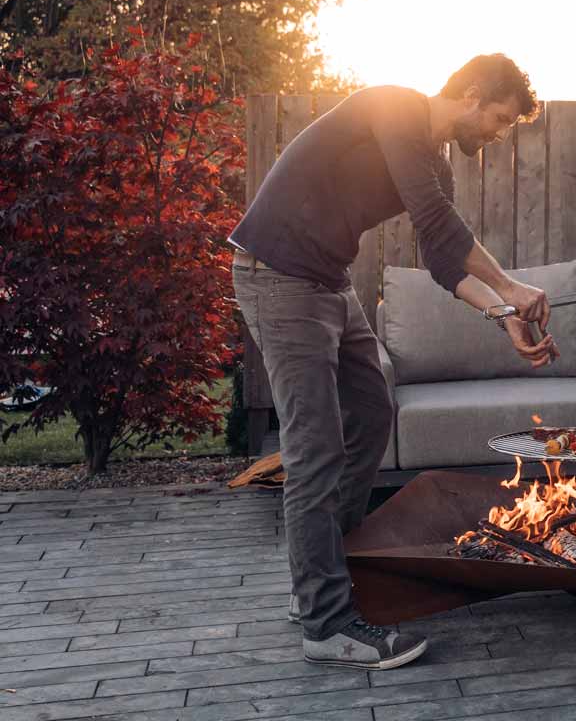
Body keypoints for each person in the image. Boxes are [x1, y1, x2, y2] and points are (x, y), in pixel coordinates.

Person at [228, 54, 558, 670]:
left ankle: (324, 578)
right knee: (315, 449)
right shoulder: (395, 107)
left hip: (328, 282)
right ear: (472, 94)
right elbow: (439, 222)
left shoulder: (434, 162)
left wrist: (501, 313)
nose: (498, 134)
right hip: (278, 277)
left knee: (373, 412)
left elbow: (442, 258)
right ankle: (325, 624)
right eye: (499, 119)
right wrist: (511, 286)